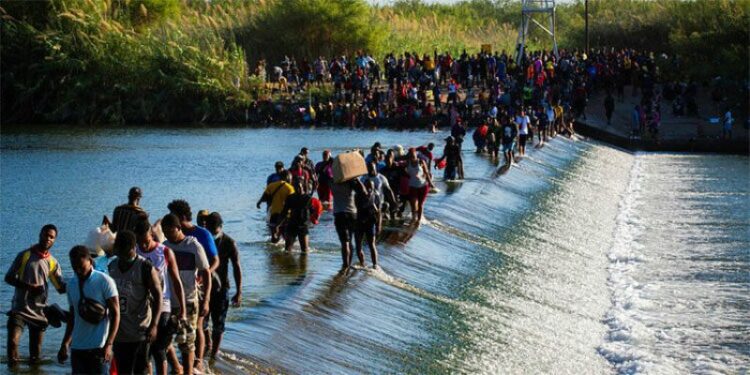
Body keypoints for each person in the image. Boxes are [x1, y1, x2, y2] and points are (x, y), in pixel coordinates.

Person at [167, 200, 219, 371]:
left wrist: (205, 291)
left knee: (197, 328)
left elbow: (213, 261)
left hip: (195, 291)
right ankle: (180, 366)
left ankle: (198, 362)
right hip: (171, 299)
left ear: (180, 220)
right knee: (174, 338)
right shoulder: (166, 243)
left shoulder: (200, 237)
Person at [5, 224, 66, 367]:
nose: (48, 239)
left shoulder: (52, 263)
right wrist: (29, 287)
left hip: (40, 312)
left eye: (52, 237)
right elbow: (8, 278)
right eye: (46, 235)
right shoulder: (25, 255)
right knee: (13, 343)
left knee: (35, 356)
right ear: (40, 235)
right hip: (19, 309)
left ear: (54, 241)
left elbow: (61, 288)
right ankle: (13, 370)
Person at [134, 219, 187, 375]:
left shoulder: (164, 252)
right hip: (142, 307)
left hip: (163, 304)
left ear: (152, 234)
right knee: (144, 350)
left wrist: (183, 310)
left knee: (159, 348)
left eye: (146, 241)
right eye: (140, 242)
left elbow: (177, 282)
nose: (143, 246)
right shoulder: (135, 251)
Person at [57, 245, 119, 375]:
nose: (78, 270)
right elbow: (72, 317)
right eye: (75, 267)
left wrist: (109, 344)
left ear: (90, 261)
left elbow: (116, 314)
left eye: (81, 266)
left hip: (99, 347)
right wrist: (65, 344)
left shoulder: (104, 281)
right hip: (77, 348)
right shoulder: (71, 285)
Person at [161, 214, 211, 375]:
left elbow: (206, 272)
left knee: (187, 342)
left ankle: (188, 372)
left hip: (189, 300)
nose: (168, 235)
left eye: (170, 232)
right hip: (168, 302)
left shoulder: (193, 245)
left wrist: (206, 300)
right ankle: (177, 367)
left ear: (179, 228)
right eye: (165, 232)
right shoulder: (164, 247)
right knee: (162, 341)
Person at [109, 231, 162, 375]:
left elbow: (158, 296)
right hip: (120, 332)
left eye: (121, 248)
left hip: (140, 330)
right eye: (117, 248)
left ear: (132, 247)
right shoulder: (112, 266)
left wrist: (154, 325)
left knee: (141, 370)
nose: (118, 252)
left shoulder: (145, 267)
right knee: (123, 370)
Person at [203, 212, 242, 360]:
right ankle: (207, 344)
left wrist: (239, 291)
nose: (212, 232)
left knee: (219, 324)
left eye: (215, 229)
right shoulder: (202, 240)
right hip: (203, 287)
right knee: (203, 322)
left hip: (221, 289)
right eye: (209, 228)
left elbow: (237, 267)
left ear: (221, 227)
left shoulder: (229, 242)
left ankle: (213, 355)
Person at [332, 178, 365, 269]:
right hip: (352, 214)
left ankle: (345, 265)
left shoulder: (332, 182)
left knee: (345, 243)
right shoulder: (351, 183)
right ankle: (352, 264)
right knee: (351, 242)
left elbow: (321, 177)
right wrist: (357, 180)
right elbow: (363, 192)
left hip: (340, 214)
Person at [257, 171, 295, 243]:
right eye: (291, 178)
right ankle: (286, 250)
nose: (291, 180)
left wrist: (259, 202)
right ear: (287, 177)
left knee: (274, 234)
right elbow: (292, 202)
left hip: (274, 213)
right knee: (285, 234)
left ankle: (274, 247)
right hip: (286, 215)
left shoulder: (271, 185)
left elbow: (265, 197)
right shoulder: (290, 188)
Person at [280, 178, 313, 252]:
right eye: (295, 187)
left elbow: (312, 211)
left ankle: (303, 263)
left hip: (303, 225)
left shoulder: (308, 198)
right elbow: (284, 212)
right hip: (292, 224)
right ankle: (288, 263)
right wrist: (278, 224)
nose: (298, 188)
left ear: (303, 186)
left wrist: (311, 222)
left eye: (299, 186)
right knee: (287, 250)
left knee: (304, 250)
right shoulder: (290, 197)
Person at [354, 180, 380, 268]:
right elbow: (356, 208)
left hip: (370, 223)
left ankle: (375, 265)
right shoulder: (358, 196)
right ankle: (362, 264)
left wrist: (378, 225)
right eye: (367, 187)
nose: (368, 189)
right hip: (359, 222)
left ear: (373, 188)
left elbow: (379, 212)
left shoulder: (376, 196)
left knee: (371, 244)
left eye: (370, 187)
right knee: (358, 245)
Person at [406, 148, 434, 225]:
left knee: (420, 204)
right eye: (410, 154)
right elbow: (402, 168)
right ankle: (413, 218)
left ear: (416, 154)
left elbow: (426, 173)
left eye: (413, 154)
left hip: (423, 186)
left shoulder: (421, 161)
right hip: (412, 186)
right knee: (413, 204)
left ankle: (418, 220)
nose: (412, 156)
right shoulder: (407, 162)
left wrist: (430, 183)